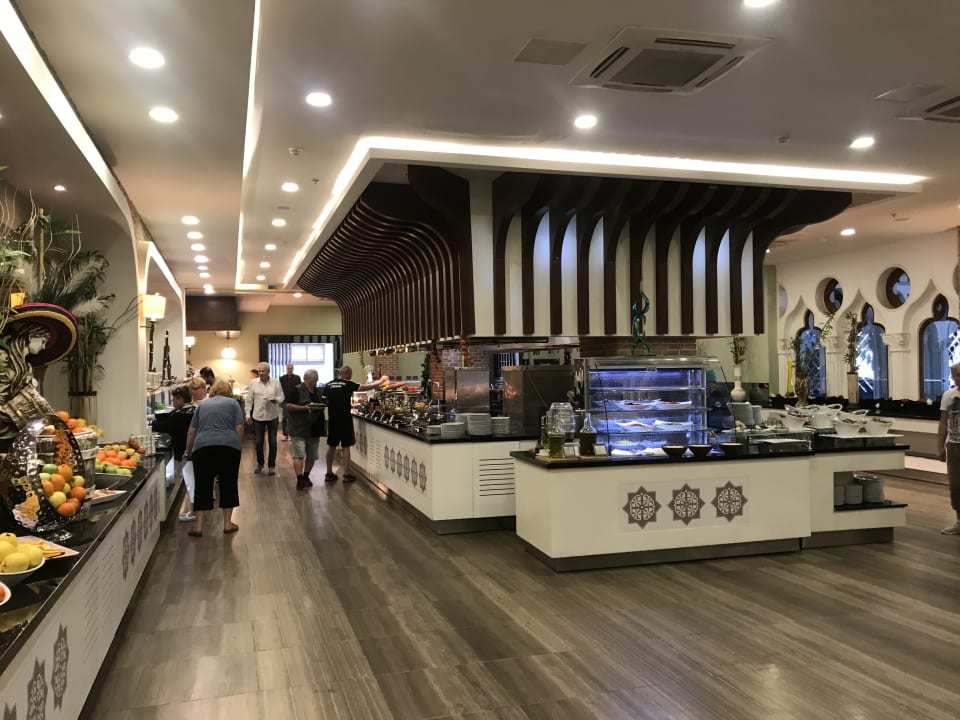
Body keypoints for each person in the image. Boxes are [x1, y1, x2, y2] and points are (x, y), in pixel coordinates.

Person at [0, 303, 78, 452]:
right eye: (43, 341)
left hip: (17, 434)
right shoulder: (3, 358)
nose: (43, 347)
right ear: (31, 337)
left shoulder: (26, 367)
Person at [182, 379, 244, 536]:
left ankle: (198, 526)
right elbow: (239, 427)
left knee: (202, 485)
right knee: (228, 484)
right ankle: (227, 524)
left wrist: (188, 452)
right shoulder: (233, 404)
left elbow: (191, 432)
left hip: (203, 448)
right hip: (228, 447)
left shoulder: (203, 406)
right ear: (228, 392)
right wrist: (236, 444)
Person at [322, 366, 388, 482]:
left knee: (332, 446)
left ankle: (328, 473)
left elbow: (324, 401)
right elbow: (367, 387)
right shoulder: (348, 383)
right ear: (347, 373)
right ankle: (346, 474)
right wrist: (381, 381)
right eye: (350, 374)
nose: (351, 376)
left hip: (333, 420)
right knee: (346, 446)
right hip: (345, 419)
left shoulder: (328, 385)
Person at [151, 385, 196, 521]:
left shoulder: (181, 415)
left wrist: (151, 424)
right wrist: (153, 416)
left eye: (174, 400)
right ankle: (195, 510)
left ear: (181, 399)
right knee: (191, 480)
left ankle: (194, 512)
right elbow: (170, 415)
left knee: (191, 482)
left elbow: (169, 425)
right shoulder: (190, 409)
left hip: (186, 452)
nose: (173, 402)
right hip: (192, 450)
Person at [285, 369, 325, 490]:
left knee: (312, 455)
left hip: (315, 428)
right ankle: (299, 479)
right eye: (315, 377)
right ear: (307, 378)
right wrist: (304, 408)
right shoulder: (296, 390)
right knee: (299, 454)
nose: (317, 379)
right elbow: (288, 406)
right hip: (299, 428)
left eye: (317, 377)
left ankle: (306, 477)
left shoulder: (318, 391)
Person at [245, 362, 285, 475]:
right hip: (258, 416)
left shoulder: (276, 382)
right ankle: (260, 463)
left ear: (268, 371)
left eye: (263, 371)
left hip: (272, 415)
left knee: (272, 442)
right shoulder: (253, 383)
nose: (261, 373)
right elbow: (249, 400)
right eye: (259, 371)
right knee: (258, 442)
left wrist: (275, 400)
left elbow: (281, 396)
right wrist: (247, 414)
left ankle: (271, 466)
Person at [937, 362, 960, 535]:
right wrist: (940, 447)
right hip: (954, 445)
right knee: (956, 484)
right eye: (957, 375)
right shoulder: (949, 396)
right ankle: (959, 522)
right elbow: (943, 422)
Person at [279, 363, 301, 441]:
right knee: (285, 417)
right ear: (286, 369)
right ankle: (285, 434)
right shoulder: (282, 378)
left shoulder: (297, 378)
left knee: (294, 417)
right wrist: (280, 401)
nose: (290, 370)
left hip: (294, 401)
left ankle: (293, 434)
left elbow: (299, 389)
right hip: (285, 400)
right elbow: (279, 390)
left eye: (291, 368)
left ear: (293, 369)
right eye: (288, 368)